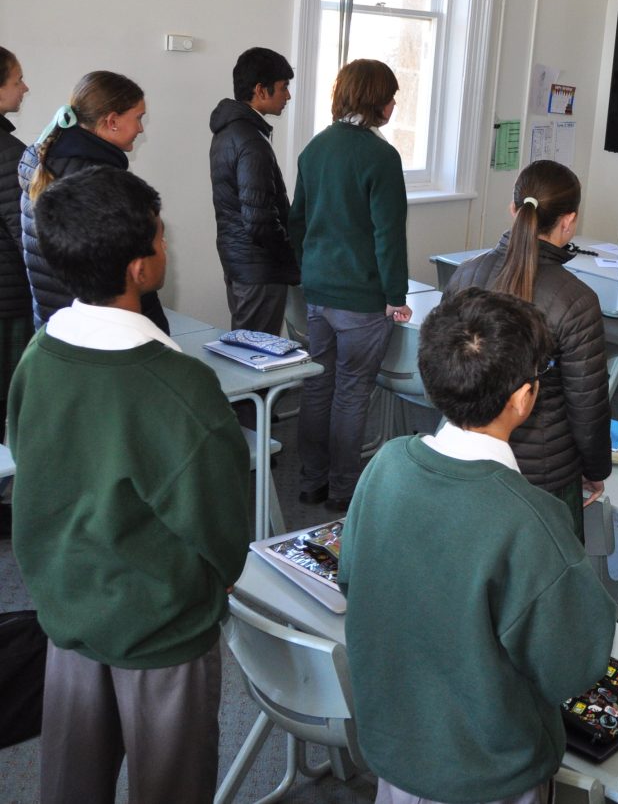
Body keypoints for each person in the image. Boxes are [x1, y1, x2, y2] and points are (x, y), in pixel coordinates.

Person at [8, 166, 251, 804]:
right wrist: (221, 575)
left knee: (70, 780)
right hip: (161, 627)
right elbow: (221, 524)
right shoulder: (178, 385)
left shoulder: (37, 355)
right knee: (169, 784)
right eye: (160, 236)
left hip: (69, 609)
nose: (165, 245)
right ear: (139, 268)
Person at [338, 287, 615, 804]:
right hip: (489, 775)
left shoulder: (385, 466)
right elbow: (574, 665)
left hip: (395, 748)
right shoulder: (532, 522)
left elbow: (352, 579)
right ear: (523, 398)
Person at [443, 160, 610, 540]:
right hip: (545, 476)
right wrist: (596, 468)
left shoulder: (466, 275)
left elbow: (442, 372)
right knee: (546, 585)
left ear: (513, 209)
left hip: (467, 459)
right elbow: (588, 405)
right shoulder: (577, 301)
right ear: (568, 222)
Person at [289, 58, 409, 512]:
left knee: (318, 386)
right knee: (353, 391)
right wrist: (396, 298)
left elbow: (297, 221)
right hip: (361, 299)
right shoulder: (381, 157)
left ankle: (310, 481)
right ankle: (342, 490)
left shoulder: (315, 149)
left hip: (317, 292)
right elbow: (388, 234)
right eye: (391, 97)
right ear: (374, 101)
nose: (394, 105)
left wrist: (310, 270)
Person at [18, 71, 168, 333]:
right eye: (138, 118)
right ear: (111, 121)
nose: (141, 128)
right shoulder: (95, 182)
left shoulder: (45, 157)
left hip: (56, 323)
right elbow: (120, 267)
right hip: (101, 331)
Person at [209, 47, 300, 332]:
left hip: (240, 262)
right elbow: (259, 221)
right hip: (258, 269)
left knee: (245, 349)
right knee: (255, 357)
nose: (288, 96)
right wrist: (291, 256)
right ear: (261, 90)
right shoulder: (250, 140)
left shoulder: (229, 131)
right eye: (283, 87)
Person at [0, 48, 33, 429]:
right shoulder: (9, 153)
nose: (25, 87)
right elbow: (25, 232)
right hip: (7, 303)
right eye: (17, 79)